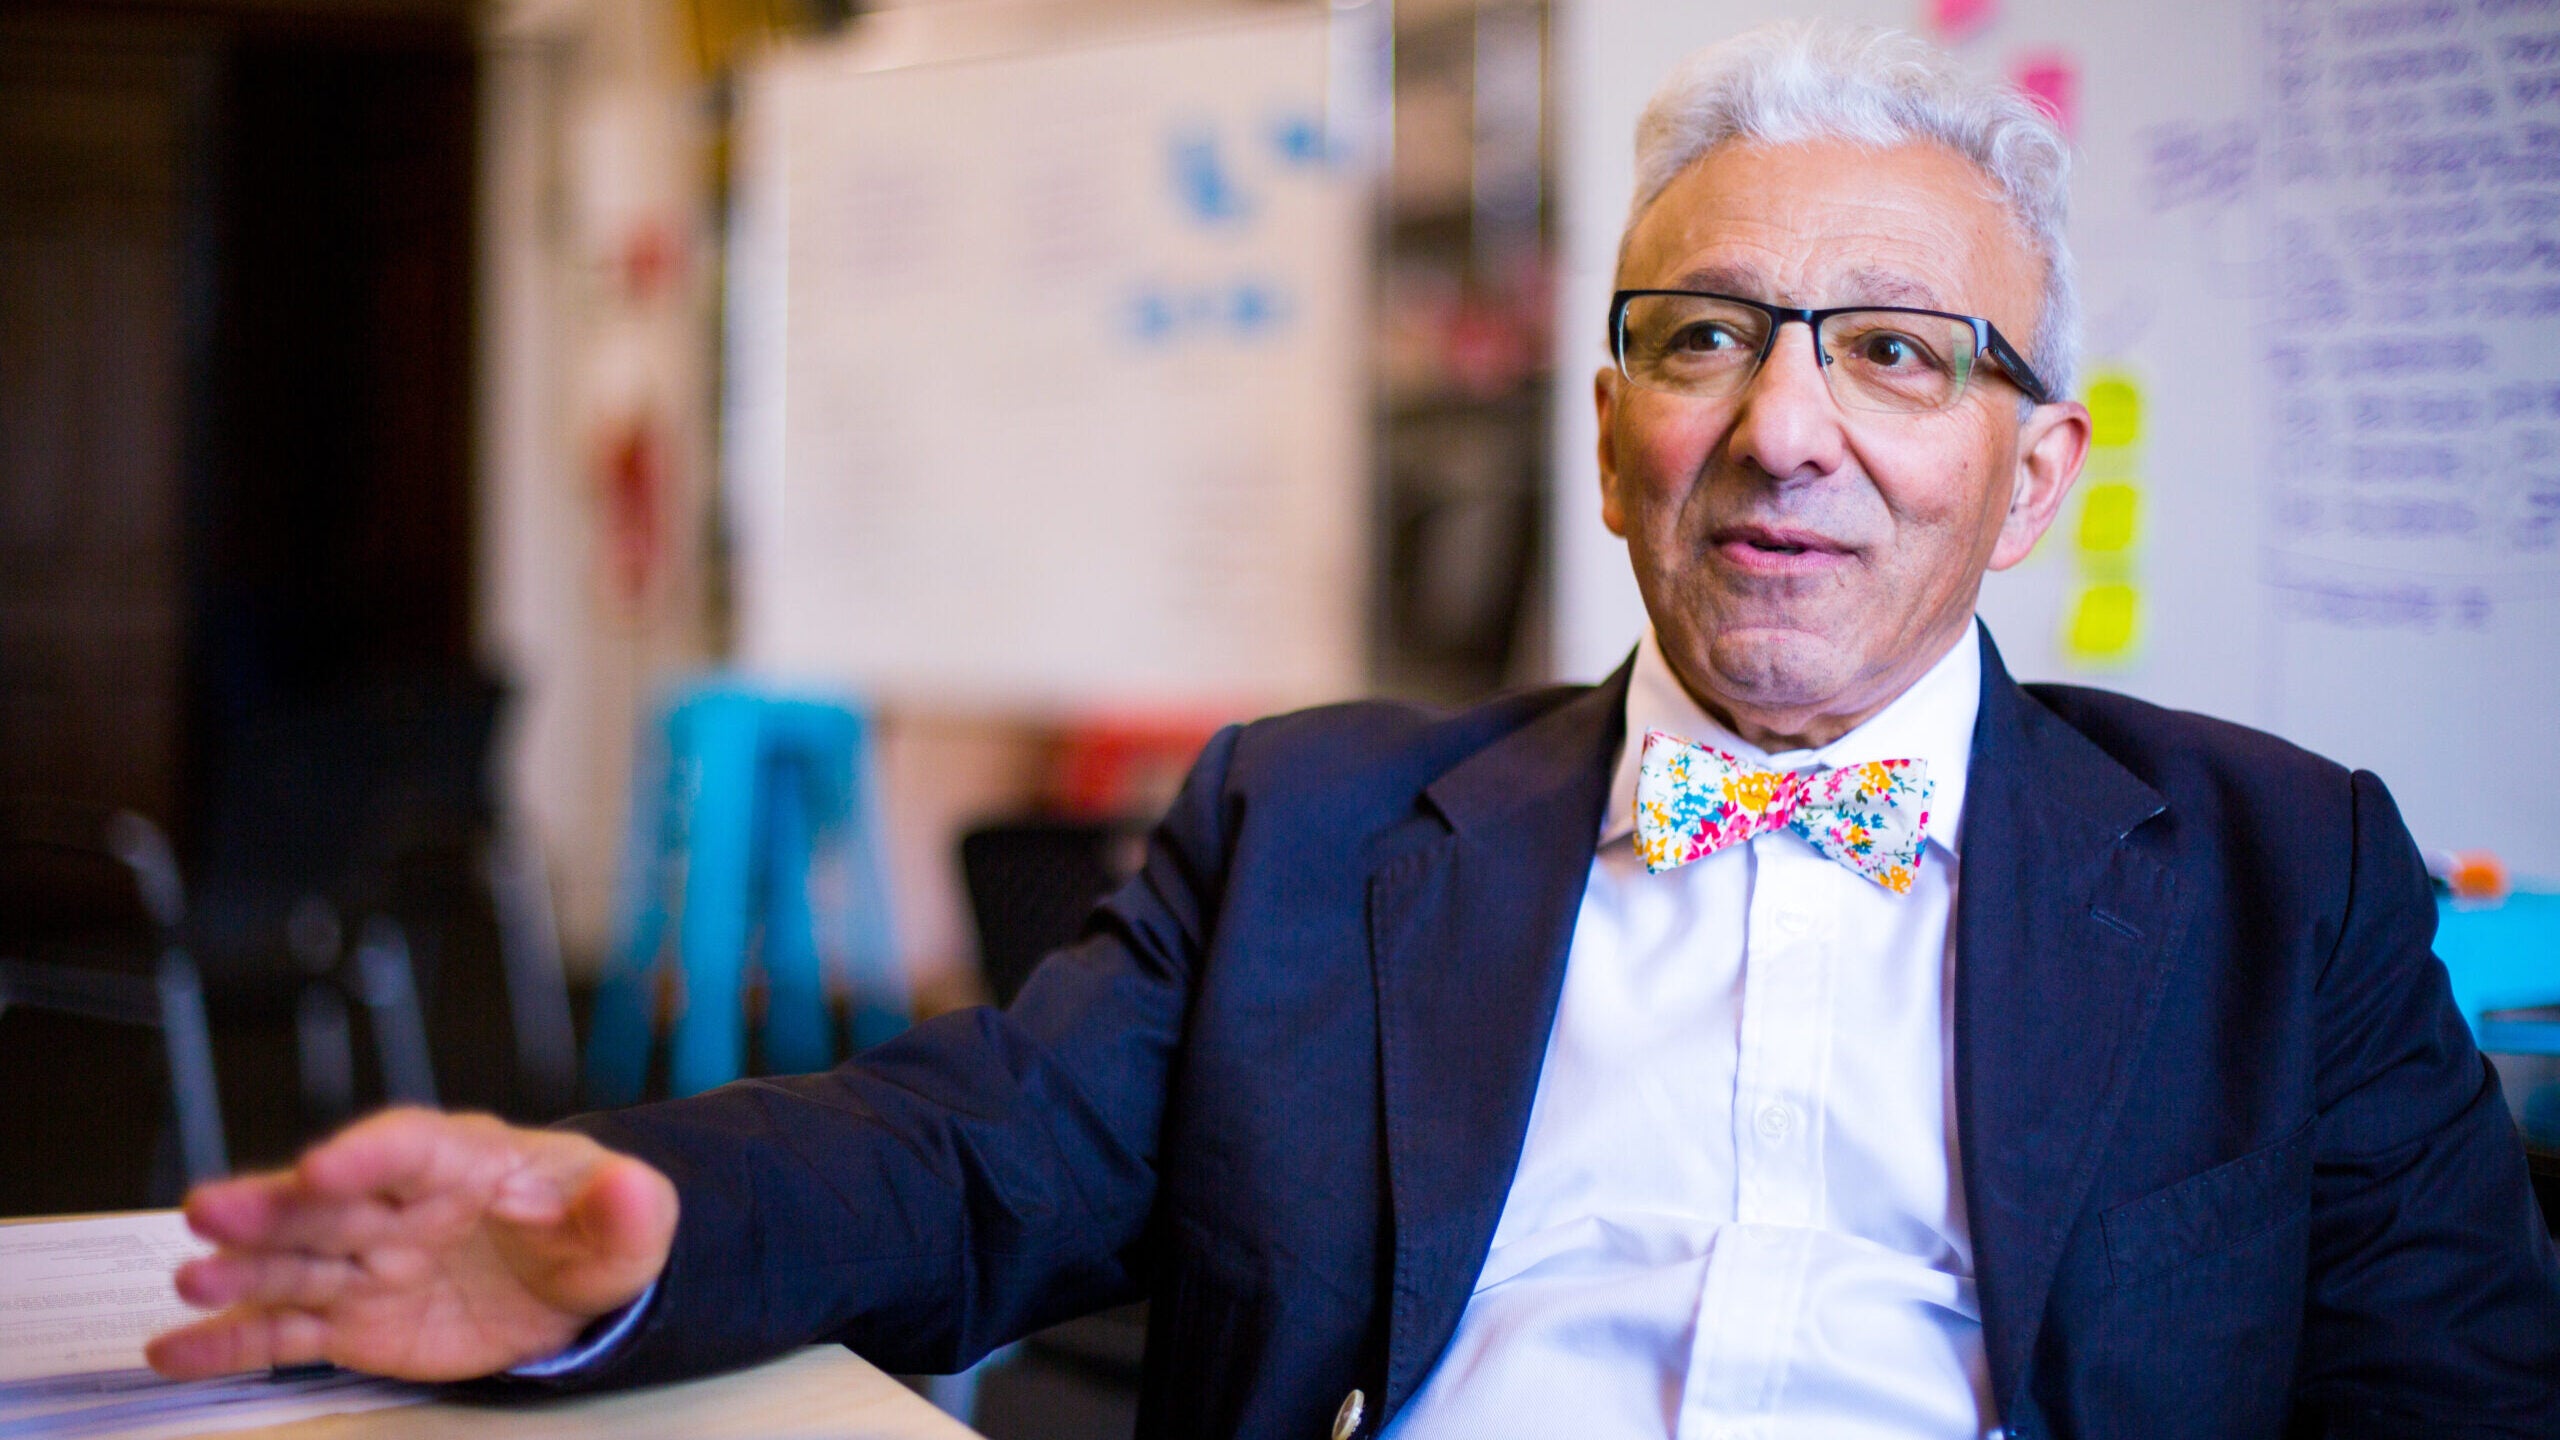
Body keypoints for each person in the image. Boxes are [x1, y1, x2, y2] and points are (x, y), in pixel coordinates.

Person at [147, 21, 2560, 1439]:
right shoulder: (1315, 821)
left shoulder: (2278, 870)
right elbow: (977, 1148)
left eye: (1892, 350)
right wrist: (643, 1227)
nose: (1783, 427)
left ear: (2032, 474)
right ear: (1608, 424)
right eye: (1702, 334)